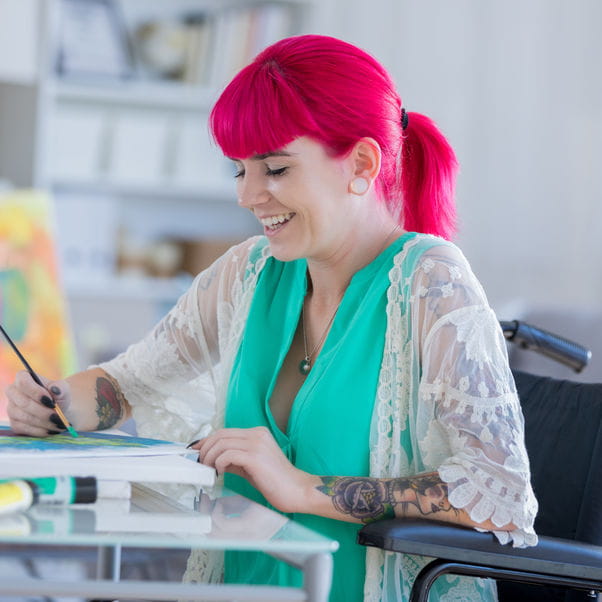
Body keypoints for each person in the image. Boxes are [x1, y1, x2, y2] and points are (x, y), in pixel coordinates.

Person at [6, 34, 538, 601]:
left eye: (275, 169)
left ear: (361, 163)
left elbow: (497, 492)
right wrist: (55, 401)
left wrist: (305, 489)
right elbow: (125, 383)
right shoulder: (249, 272)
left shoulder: (432, 283)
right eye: (239, 171)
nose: (249, 195)